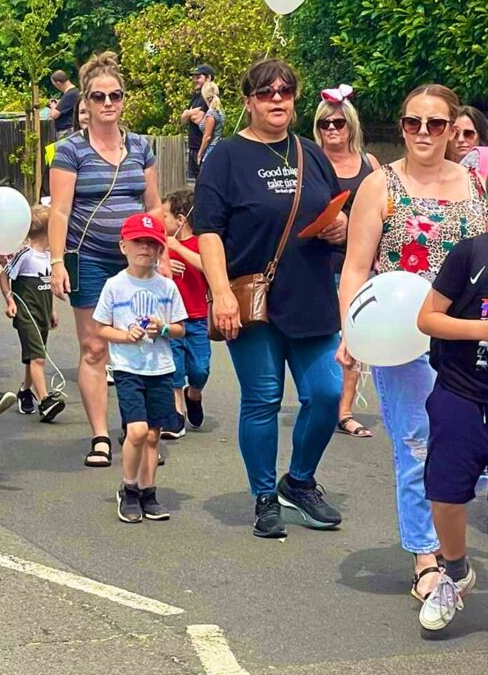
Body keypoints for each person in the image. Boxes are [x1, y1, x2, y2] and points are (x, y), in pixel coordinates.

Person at [339, 83, 486, 602]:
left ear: (453, 129)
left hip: (467, 340)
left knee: (468, 448)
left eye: (437, 124)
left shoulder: (476, 186)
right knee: (417, 445)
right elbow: (355, 268)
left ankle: (451, 538)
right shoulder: (381, 186)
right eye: (412, 123)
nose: (423, 133)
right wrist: (349, 335)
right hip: (399, 339)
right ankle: (428, 558)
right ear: (401, 126)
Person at [196, 59, 346, 539]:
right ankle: (264, 495)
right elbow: (208, 231)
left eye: (285, 91)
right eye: (265, 93)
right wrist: (219, 292)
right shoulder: (226, 156)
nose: (276, 99)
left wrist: (339, 228)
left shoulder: (310, 153)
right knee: (262, 400)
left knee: (325, 394)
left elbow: (332, 211)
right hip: (252, 301)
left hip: (312, 297)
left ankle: (298, 481)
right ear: (248, 101)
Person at [48, 51, 162, 468]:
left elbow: (153, 205)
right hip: (89, 256)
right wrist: (57, 262)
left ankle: (141, 430)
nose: (108, 103)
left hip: (138, 260)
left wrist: (160, 258)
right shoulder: (69, 151)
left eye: (116, 95)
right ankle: (99, 434)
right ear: (87, 103)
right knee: (95, 347)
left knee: (144, 341)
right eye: (99, 97)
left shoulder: (141, 147)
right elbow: (59, 210)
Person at [414, 236, 488, 630]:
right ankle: (455, 571)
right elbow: (427, 319)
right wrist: (482, 329)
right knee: (445, 493)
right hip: (462, 390)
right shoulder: (471, 253)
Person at [94, 213, 186, 522]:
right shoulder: (114, 286)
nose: (145, 249)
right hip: (127, 368)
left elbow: (180, 329)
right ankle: (129, 489)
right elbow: (100, 328)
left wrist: (162, 328)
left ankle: (150, 491)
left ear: (161, 250)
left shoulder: (167, 288)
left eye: (152, 243)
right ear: (124, 246)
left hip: (160, 367)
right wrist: (125, 336)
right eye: (138, 242)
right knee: (136, 430)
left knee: (153, 435)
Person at [313, 86, 380, 439]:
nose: (332, 129)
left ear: (351, 124)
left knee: (354, 332)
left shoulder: (370, 165)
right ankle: (322, 399)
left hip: (359, 263)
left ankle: (346, 410)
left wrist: (349, 224)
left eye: (338, 122)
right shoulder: (309, 161)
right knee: (324, 335)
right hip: (317, 263)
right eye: (325, 124)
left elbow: (386, 211)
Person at [0, 205, 65, 422]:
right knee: (38, 357)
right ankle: (45, 400)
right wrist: (9, 300)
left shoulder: (48, 257)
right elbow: (4, 276)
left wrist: (52, 310)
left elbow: (46, 286)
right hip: (26, 313)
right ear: (48, 231)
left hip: (43, 312)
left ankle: (25, 391)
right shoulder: (25, 255)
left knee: (33, 357)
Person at [162, 188, 211, 433]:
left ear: (180, 221)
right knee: (175, 369)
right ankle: (176, 414)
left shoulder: (201, 242)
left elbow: (208, 267)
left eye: (166, 218)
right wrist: (163, 262)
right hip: (171, 321)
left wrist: (178, 248)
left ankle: (194, 394)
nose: (162, 223)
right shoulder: (161, 248)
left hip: (198, 318)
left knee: (200, 369)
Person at [180, 65, 211, 180]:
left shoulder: (209, 98)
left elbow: (198, 119)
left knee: (205, 182)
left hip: (204, 148)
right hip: (193, 146)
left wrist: (188, 113)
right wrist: (189, 113)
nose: (195, 80)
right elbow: (183, 120)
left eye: (198, 77)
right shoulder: (195, 96)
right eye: (194, 77)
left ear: (208, 78)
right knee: (194, 184)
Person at [196, 80, 225, 167]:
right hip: (220, 147)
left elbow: (207, 136)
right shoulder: (220, 111)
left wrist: (200, 153)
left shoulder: (211, 114)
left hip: (211, 150)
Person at [49, 70, 80, 136]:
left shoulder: (70, 94)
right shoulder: (73, 92)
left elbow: (54, 114)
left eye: (54, 85)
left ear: (58, 83)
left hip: (67, 131)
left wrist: (53, 106)